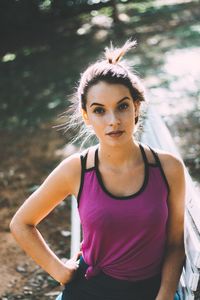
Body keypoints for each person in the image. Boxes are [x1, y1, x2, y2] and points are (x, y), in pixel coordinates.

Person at [10, 39, 185, 300]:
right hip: (91, 289)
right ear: (86, 117)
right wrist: (60, 272)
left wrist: (164, 295)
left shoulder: (168, 167)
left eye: (122, 106)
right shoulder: (76, 170)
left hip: (150, 291)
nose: (113, 120)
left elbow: (174, 245)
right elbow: (21, 223)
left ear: (136, 107)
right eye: (99, 110)